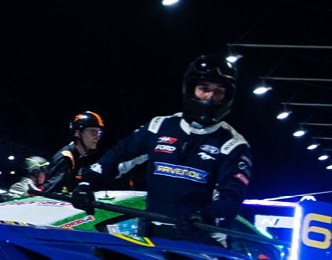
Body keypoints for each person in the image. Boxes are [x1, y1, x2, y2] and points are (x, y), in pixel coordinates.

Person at [72, 54, 251, 238]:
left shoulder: (233, 144)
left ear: (228, 97)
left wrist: (207, 217)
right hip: (154, 233)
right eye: (204, 89)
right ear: (190, 89)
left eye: (219, 91)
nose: (210, 97)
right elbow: (118, 156)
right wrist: (88, 183)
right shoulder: (158, 127)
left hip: (201, 237)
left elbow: (232, 196)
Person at [39, 111, 103, 193]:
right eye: (92, 132)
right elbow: (49, 192)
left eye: (99, 132)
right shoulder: (66, 157)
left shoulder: (83, 157)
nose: (97, 137)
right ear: (78, 133)